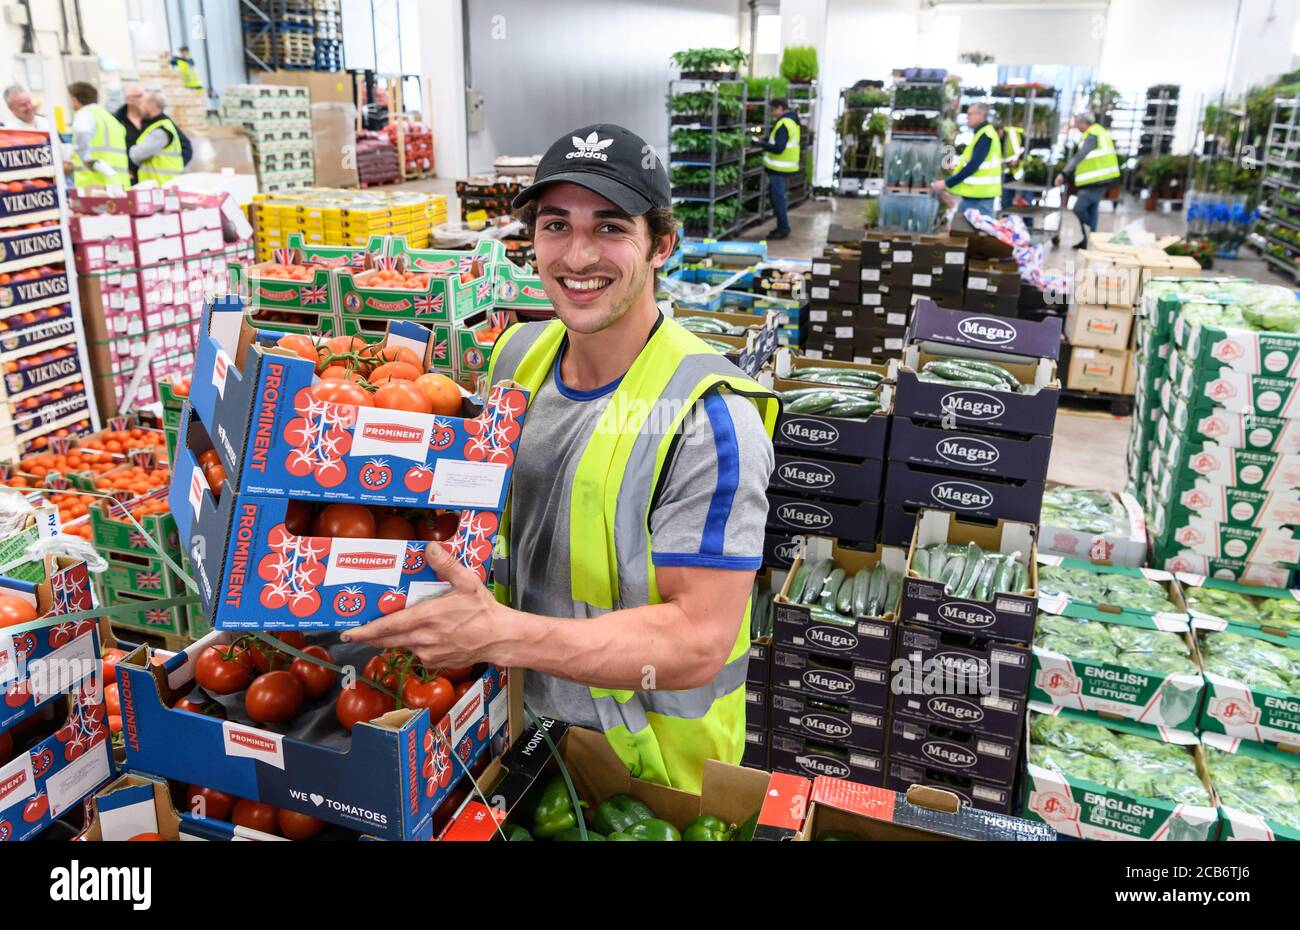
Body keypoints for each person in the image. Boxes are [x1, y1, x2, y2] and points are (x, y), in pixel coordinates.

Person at [344, 123, 778, 792]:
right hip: (510, 735)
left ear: (660, 244)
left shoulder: (711, 418)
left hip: (642, 782)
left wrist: (498, 636)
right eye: (555, 226)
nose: (578, 257)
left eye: (610, 228)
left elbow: (698, 641)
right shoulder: (519, 357)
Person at [1054, 112, 1121, 249]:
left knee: (1079, 208)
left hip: (1097, 180)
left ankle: (1094, 235)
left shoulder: (1092, 135)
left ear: (1084, 122)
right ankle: (1087, 240)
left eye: (1078, 123)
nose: (1077, 126)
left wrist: (1064, 173)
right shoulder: (1098, 132)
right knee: (1092, 209)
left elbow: (1080, 156)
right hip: (1097, 179)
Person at [932, 101, 1002, 217]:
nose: (967, 118)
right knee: (962, 229)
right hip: (976, 196)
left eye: (970, 114)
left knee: (977, 232)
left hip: (980, 198)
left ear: (980, 116)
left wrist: (946, 182)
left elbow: (973, 165)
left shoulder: (985, 135)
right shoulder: (982, 134)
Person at [66, 82, 129, 189]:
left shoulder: (84, 113)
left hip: (95, 186)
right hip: (119, 183)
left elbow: (81, 131)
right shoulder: (109, 117)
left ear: (75, 100)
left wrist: (85, 158)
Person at [758, 98, 800, 239]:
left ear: (781, 108)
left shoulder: (784, 123)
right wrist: (767, 138)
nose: (772, 113)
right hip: (784, 168)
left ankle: (783, 229)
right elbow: (780, 140)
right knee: (778, 198)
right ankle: (781, 227)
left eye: (773, 109)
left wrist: (759, 144)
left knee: (778, 199)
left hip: (779, 169)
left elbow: (778, 148)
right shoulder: (791, 121)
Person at [129, 91, 184, 185]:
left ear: (150, 106)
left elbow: (136, 154)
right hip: (159, 186)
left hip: (162, 187)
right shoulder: (154, 125)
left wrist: (131, 150)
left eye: (141, 104)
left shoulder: (160, 131)